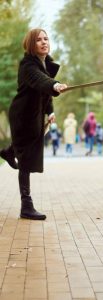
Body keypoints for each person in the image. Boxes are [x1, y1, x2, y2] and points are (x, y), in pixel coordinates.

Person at [0, 28, 67, 220]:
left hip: (35, 116)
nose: (44, 42)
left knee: (26, 151)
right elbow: (41, 81)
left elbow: (44, 92)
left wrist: (50, 111)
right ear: (31, 44)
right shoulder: (27, 65)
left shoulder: (45, 64)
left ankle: (9, 151)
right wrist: (55, 85)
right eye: (39, 40)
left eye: (46, 39)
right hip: (22, 117)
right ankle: (26, 206)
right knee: (26, 161)